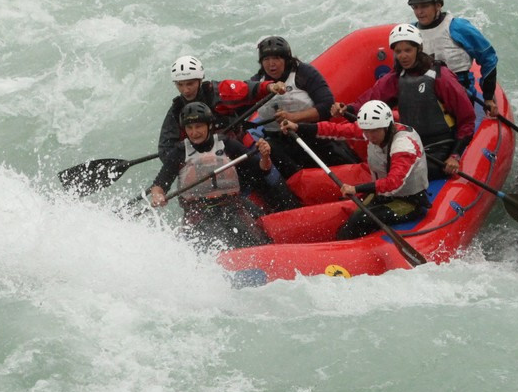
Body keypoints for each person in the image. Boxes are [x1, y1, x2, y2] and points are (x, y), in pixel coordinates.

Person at [334, 24, 476, 180]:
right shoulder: (396, 77)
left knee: (410, 175)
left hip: (442, 145)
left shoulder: (440, 76)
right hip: (411, 143)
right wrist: (347, 109)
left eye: (408, 50)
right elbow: (371, 99)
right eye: (398, 51)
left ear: (418, 48)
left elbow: (467, 119)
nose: (403, 56)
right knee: (386, 170)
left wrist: (455, 155)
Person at [280, 100, 430, 240]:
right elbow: (336, 130)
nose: (369, 136)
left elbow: (393, 183)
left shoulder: (403, 146)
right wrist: (298, 127)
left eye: (374, 131)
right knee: (352, 216)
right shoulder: (373, 131)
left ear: (386, 126)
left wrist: (356, 188)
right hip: (383, 196)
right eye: (366, 131)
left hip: (410, 202)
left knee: (360, 219)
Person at [148, 102, 277, 251]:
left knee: (257, 239)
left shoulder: (227, 144)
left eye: (198, 126)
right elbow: (159, 185)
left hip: (231, 206)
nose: (194, 132)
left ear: (209, 125)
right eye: (189, 128)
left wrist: (265, 156)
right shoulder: (178, 153)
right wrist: (157, 195)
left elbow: (262, 169)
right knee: (205, 244)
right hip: (198, 213)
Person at [248, 35, 360, 173]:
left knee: (336, 155)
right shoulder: (257, 83)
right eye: (266, 59)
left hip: (311, 134)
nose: (271, 64)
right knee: (273, 152)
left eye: (276, 58)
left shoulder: (304, 73)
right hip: (279, 140)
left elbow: (327, 106)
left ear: (286, 59)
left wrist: (294, 117)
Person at [157, 55, 284, 166]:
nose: (185, 90)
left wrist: (269, 86)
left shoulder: (217, 92)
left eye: (190, 84)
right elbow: (165, 150)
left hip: (238, 148)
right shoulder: (176, 111)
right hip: (202, 162)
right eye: (180, 84)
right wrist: (187, 164)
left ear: (200, 80)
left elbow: (249, 89)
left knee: (267, 174)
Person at [408, 0, 501, 118]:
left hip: (460, 95)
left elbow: (488, 58)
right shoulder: (411, 32)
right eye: (415, 7)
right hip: (426, 94)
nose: (419, 12)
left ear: (438, 5)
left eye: (424, 6)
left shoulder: (458, 27)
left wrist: (488, 97)